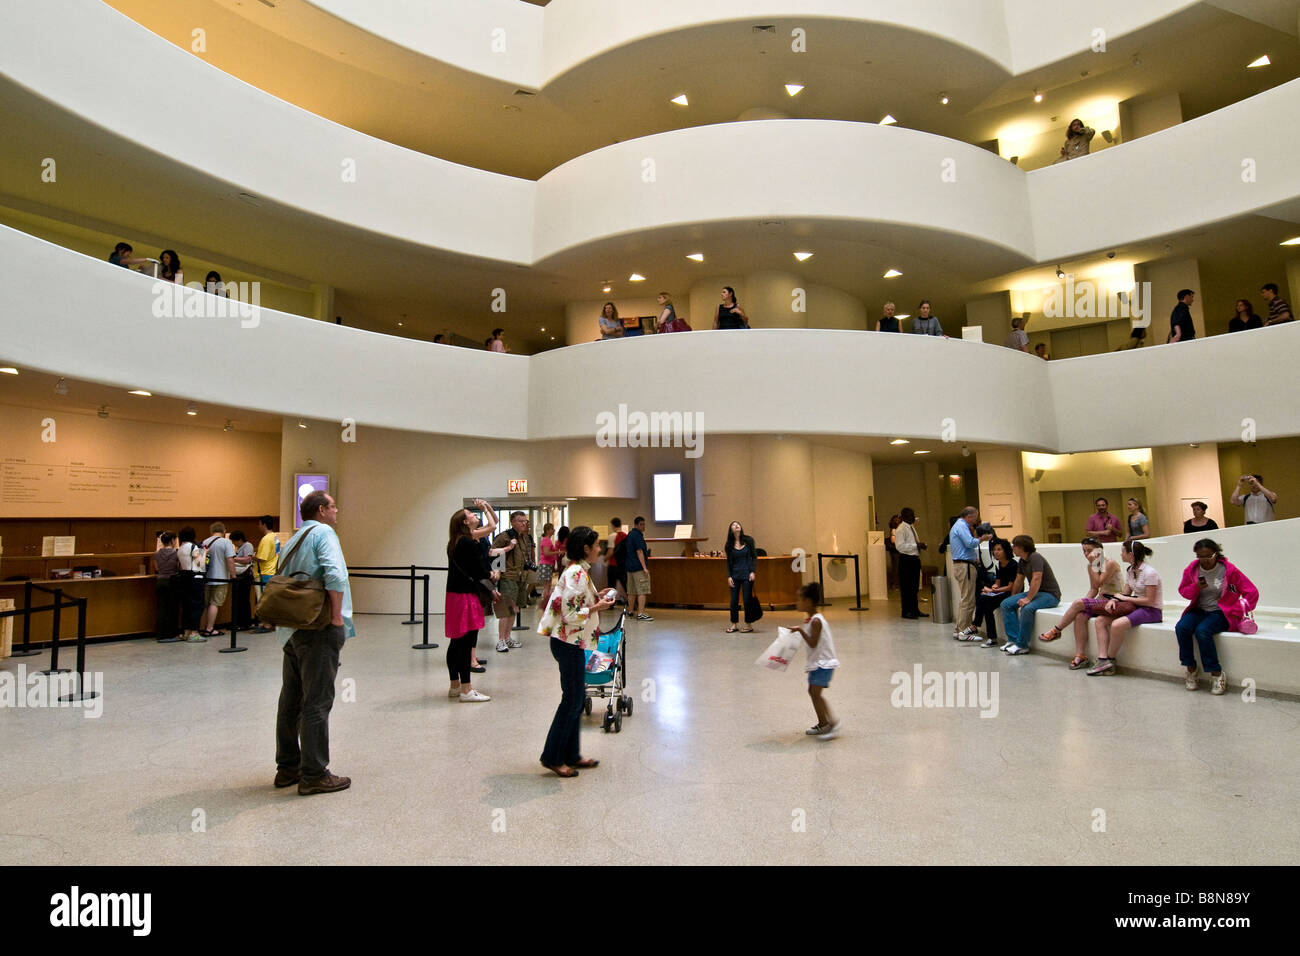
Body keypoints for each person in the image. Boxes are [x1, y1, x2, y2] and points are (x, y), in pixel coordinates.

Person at [273, 490, 354, 794]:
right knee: (317, 700)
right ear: (321, 510)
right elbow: (334, 575)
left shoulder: (294, 538)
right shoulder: (324, 533)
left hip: (292, 630)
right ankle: (314, 773)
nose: (336, 512)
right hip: (317, 628)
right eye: (333, 507)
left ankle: (287, 768)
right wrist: (336, 617)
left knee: (290, 700)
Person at [537, 526, 615, 777]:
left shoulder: (579, 571)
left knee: (577, 699)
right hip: (567, 643)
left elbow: (576, 602)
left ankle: (571, 754)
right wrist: (597, 608)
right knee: (571, 700)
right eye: (596, 546)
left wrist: (596, 598)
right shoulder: (576, 573)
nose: (599, 549)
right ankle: (552, 756)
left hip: (571, 642)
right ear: (586, 548)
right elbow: (570, 614)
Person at [1176, 539, 1258, 695]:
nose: (1204, 560)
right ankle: (1191, 670)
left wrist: (1236, 608)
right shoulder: (1192, 570)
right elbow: (1184, 591)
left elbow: (1251, 591)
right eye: (1200, 556)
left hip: (1220, 612)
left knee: (1203, 631)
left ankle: (1217, 674)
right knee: (1182, 627)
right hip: (1199, 609)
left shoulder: (1229, 570)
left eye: (1208, 556)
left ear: (1216, 553)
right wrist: (1195, 587)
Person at [1039, 537, 1124, 669]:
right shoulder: (1091, 566)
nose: (1086, 554)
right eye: (1084, 551)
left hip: (1114, 602)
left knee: (1079, 604)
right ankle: (1080, 655)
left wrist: (1081, 603)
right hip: (1101, 601)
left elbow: (1099, 582)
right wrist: (1083, 604)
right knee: (1079, 615)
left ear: (1099, 550)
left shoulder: (1110, 563)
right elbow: (1094, 589)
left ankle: (1056, 630)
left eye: (1089, 551)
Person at [445, 500, 499, 702]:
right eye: (471, 514)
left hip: (454, 595)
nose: (475, 515)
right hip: (466, 596)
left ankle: (454, 685)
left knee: (456, 641)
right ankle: (467, 689)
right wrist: (492, 577)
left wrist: (486, 508)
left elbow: (492, 526)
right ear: (465, 522)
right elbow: (478, 571)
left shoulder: (456, 541)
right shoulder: (468, 542)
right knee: (466, 643)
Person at [1087, 539, 1163, 676]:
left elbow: (1150, 601)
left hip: (1151, 610)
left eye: (1123, 551)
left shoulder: (1149, 572)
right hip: (1138, 606)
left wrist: (1124, 598)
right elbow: (1126, 592)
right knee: (1100, 620)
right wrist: (1115, 600)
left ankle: (1110, 660)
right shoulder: (1130, 570)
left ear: (1130, 554)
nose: (1120, 554)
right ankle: (1102, 658)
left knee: (1117, 625)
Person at [997, 535, 1061, 654]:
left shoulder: (1035, 557)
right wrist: (1013, 597)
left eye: (1014, 546)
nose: (1013, 549)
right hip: (1037, 593)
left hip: (1050, 594)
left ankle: (1022, 644)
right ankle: (1014, 639)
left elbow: (1037, 578)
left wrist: (1028, 598)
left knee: (1027, 608)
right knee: (1006, 604)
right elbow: (1019, 580)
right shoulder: (1022, 561)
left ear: (1022, 547)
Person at [792, 583, 840, 740]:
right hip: (819, 663)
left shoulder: (816, 622)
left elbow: (813, 643)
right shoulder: (812, 619)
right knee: (813, 692)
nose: (797, 602)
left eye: (800, 599)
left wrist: (799, 631)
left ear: (809, 601)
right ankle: (824, 723)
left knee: (815, 693)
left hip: (823, 664)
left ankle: (829, 724)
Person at [949, 507, 993, 639]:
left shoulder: (957, 526)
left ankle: (959, 629)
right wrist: (983, 539)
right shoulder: (961, 526)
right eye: (975, 517)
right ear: (969, 516)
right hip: (965, 567)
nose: (976, 520)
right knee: (968, 600)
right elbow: (970, 543)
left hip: (963, 565)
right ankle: (964, 631)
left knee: (965, 599)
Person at [491, 510, 531, 652]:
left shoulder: (523, 537)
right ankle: (501, 640)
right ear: (512, 522)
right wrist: (498, 572)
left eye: (525, 521)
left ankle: (508, 637)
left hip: (520, 576)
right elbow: (493, 553)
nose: (523, 523)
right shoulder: (505, 536)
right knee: (505, 610)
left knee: (515, 609)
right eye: (520, 521)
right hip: (508, 576)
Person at [972, 539, 1017, 647]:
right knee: (986, 605)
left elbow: (1011, 587)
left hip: (1010, 592)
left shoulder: (1012, 565)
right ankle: (992, 638)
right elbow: (998, 581)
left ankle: (975, 625)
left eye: (999, 549)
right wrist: (994, 586)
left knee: (984, 599)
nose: (996, 552)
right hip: (1001, 591)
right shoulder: (999, 564)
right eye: (994, 550)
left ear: (1006, 551)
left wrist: (993, 590)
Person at [199, 522, 236, 638]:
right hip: (221, 577)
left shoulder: (205, 542)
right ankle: (210, 628)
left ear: (211, 531)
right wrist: (233, 575)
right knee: (215, 603)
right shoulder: (226, 542)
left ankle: (202, 627)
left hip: (206, 577)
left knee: (205, 604)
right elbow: (230, 560)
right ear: (224, 531)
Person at [724, 521, 759, 633]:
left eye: (738, 524)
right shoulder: (729, 545)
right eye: (733, 525)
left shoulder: (749, 540)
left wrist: (753, 571)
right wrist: (729, 576)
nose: (736, 525)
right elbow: (728, 562)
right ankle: (734, 624)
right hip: (734, 576)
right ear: (731, 530)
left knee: (747, 600)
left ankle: (748, 624)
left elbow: (754, 557)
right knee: (733, 601)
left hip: (747, 575)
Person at [894, 508, 927, 619]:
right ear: (903, 517)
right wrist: (916, 546)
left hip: (914, 559)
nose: (912, 517)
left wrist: (920, 546)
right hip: (906, 560)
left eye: (913, 515)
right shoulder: (901, 529)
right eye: (909, 516)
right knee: (906, 587)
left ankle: (915, 609)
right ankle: (906, 611)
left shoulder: (911, 527)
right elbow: (900, 546)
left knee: (914, 586)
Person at [250, 514, 279, 633]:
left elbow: (262, 558)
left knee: (262, 600)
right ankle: (269, 622)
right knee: (269, 600)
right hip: (272, 571)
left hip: (264, 573)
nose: (258, 526)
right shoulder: (275, 537)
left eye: (259, 524)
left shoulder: (266, 539)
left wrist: (252, 557)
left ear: (264, 524)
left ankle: (266, 624)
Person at [176, 526, 205, 642]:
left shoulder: (180, 548)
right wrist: (205, 552)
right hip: (195, 577)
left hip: (184, 576)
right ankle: (194, 632)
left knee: (187, 605)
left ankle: (186, 631)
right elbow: (200, 563)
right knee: (197, 605)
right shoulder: (194, 547)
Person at [153, 531, 181, 643]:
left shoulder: (156, 554)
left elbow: (156, 568)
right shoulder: (176, 553)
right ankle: (171, 634)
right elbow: (178, 567)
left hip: (160, 581)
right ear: (173, 541)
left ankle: (160, 633)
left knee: (161, 608)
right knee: (172, 608)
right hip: (172, 581)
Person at [624, 515, 653, 621]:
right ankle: (641, 613)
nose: (643, 526)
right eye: (641, 524)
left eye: (644, 524)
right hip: (638, 567)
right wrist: (644, 567)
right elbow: (639, 551)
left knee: (631, 591)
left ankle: (630, 611)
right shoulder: (637, 535)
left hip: (629, 567)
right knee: (642, 591)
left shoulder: (630, 534)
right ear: (636, 525)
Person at [228, 530, 256, 633]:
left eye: (234, 541)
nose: (234, 544)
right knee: (239, 600)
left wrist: (234, 559)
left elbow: (248, 559)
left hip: (245, 576)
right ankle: (239, 622)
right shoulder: (239, 547)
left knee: (243, 599)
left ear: (239, 539)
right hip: (240, 576)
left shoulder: (248, 545)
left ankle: (245, 623)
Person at [604, 517, 628, 606]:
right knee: (626, 585)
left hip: (613, 564)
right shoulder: (625, 536)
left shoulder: (612, 536)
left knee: (611, 586)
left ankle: (610, 604)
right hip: (622, 565)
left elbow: (611, 551)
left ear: (612, 525)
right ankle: (633, 603)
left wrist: (605, 558)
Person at [537, 521, 559, 605]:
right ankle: (545, 601)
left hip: (548, 564)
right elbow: (546, 553)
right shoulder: (546, 540)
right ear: (547, 530)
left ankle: (546, 600)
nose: (554, 530)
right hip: (545, 564)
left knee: (548, 584)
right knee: (547, 584)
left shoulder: (547, 540)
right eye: (552, 529)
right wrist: (558, 552)